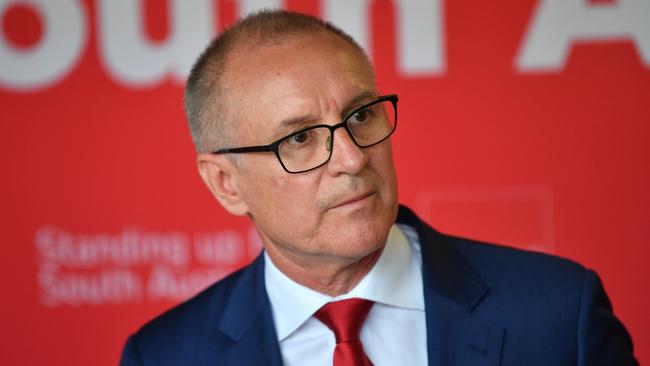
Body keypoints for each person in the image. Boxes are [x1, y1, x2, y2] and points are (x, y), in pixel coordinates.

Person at [120, 10, 638, 366]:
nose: (351, 157)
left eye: (361, 115)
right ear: (226, 183)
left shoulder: (556, 313)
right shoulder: (167, 355)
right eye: (300, 137)